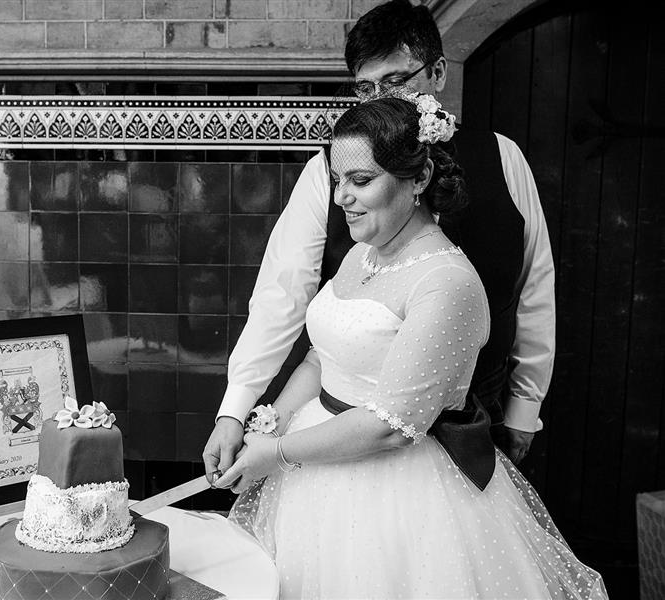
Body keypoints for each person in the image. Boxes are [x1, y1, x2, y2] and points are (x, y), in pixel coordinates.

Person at [213, 95, 605, 599]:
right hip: (316, 468)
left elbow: (390, 427)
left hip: (401, 495)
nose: (341, 198)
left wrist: (279, 452)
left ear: (418, 180)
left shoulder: (446, 282)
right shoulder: (362, 254)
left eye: (360, 181)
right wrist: (264, 424)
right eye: (337, 180)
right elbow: (320, 357)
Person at [203, 0, 555, 481]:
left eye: (394, 82)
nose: (377, 100)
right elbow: (281, 294)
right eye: (365, 88)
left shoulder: (503, 158)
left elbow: (533, 287)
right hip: (346, 439)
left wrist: (524, 404)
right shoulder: (327, 173)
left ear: (437, 73)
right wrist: (236, 407)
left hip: (472, 423)